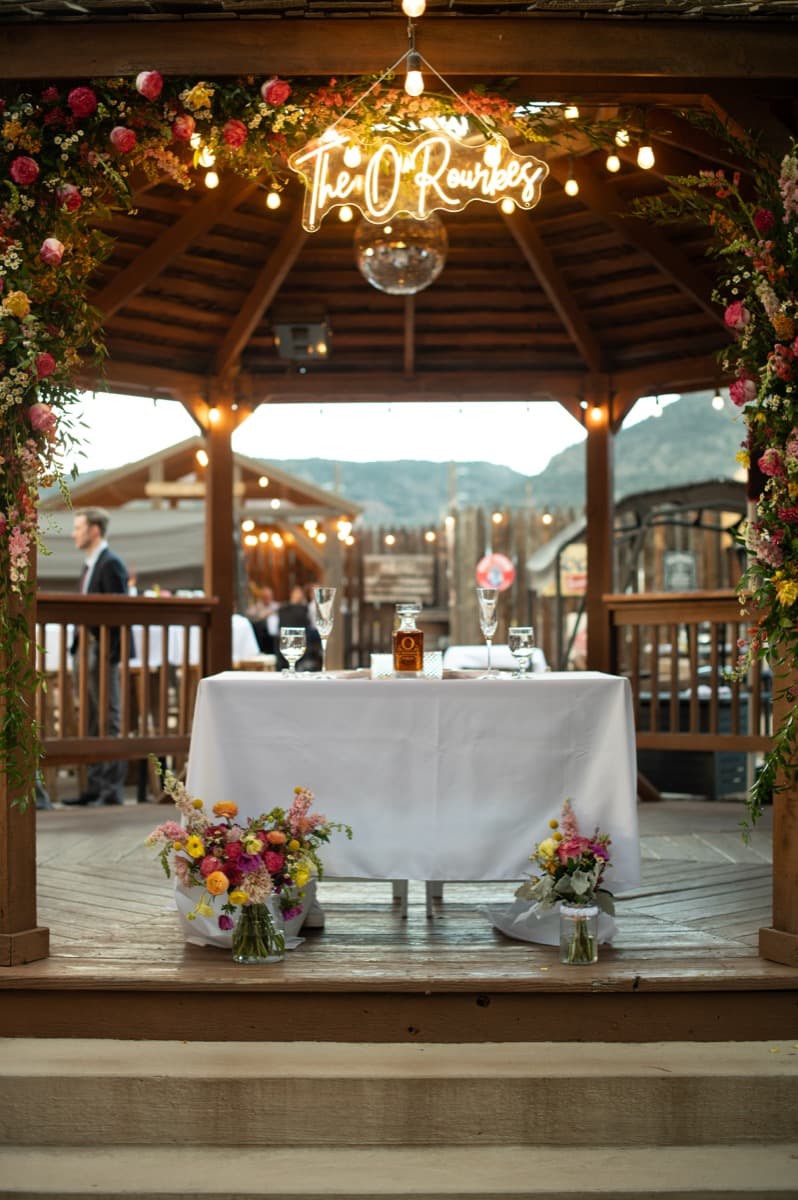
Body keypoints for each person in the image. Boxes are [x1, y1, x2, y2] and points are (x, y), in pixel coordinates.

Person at [64, 507, 131, 807]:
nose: (73, 533)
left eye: (78, 527)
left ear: (94, 530)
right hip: (85, 647)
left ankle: (110, 788)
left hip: (101, 649)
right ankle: (93, 785)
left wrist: (110, 655)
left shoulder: (111, 564)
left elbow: (119, 613)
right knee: (90, 718)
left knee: (108, 715)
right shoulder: (91, 565)